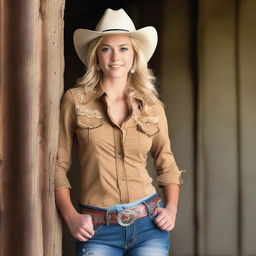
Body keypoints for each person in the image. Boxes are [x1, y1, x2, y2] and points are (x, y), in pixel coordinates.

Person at [54, 8, 184, 256]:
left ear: (135, 56)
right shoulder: (75, 100)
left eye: (124, 48)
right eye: (106, 48)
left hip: (149, 225)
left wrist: (171, 210)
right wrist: (70, 215)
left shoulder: (152, 106)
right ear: (96, 56)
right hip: (97, 229)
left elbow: (166, 162)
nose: (116, 57)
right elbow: (58, 165)